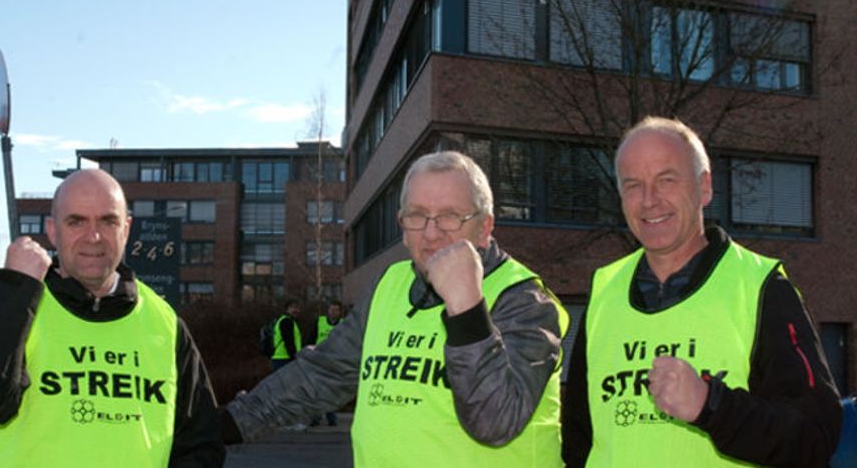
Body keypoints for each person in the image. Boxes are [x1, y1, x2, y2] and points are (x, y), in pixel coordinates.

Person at [221, 151, 568, 467]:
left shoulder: (525, 301)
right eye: (418, 216)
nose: (431, 233)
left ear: (485, 227)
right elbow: (322, 374)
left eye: (450, 217)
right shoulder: (390, 284)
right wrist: (228, 424)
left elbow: (496, 421)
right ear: (402, 227)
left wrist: (467, 309)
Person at [561, 117, 842, 467]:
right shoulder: (605, 289)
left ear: (704, 187)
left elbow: (815, 435)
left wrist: (712, 405)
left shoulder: (760, 286)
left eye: (666, 180)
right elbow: (577, 440)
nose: (649, 200)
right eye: (633, 185)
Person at [0, 169, 224, 467]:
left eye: (108, 221)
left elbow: (201, 443)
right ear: (53, 230)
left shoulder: (164, 323)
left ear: (126, 229)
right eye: (76, 221)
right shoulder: (17, 304)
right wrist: (14, 289)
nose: (93, 236)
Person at [309, 300, 344, 426]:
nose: (333, 312)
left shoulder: (344, 324)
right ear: (328, 311)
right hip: (319, 360)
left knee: (332, 391)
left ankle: (331, 417)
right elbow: (311, 339)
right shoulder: (320, 322)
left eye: (336, 310)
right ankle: (315, 417)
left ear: (340, 312)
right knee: (316, 390)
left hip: (334, 362)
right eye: (331, 309)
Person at [271, 298, 302, 371]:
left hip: (280, 358)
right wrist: (294, 357)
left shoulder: (284, 320)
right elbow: (289, 341)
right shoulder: (287, 321)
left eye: (298, 308)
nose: (296, 310)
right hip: (285, 359)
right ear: (287, 309)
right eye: (293, 308)